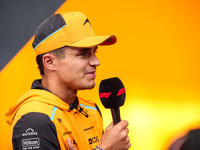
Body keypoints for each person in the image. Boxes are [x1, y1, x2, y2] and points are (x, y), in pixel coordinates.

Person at [5, 11, 131, 150]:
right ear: (50, 62)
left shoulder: (90, 109)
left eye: (94, 52)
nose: (96, 62)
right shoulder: (35, 119)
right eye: (83, 54)